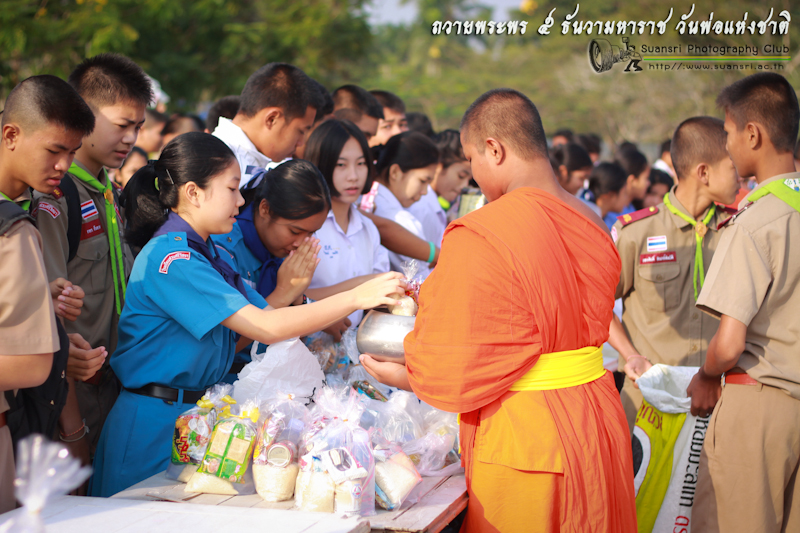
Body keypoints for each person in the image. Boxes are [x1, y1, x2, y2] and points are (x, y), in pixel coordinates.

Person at [361, 88, 637, 532]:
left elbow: (459, 356)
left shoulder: (482, 230)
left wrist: (405, 375)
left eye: (472, 159)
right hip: (597, 416)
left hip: (527, 432)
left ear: (495, 149)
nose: (473, 174)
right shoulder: (592, 220)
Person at [89, 132, 404, 497]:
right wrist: (355, 297)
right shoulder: (174, 260)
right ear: (193, 193)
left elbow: (270, 314)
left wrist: (345, 294)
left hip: (191, 417)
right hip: (153, 421)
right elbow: (265, 326)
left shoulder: (209, 255)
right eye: (232, 189)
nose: (241, 201)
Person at [686, 73, 800, 533]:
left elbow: (730, 344)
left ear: (752, 134)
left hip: (759, 409)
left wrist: (705, 376)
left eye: (729, 132)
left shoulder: (755, 221)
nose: (727, 144)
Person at [33, 53, 152, 458]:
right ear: (83, 114)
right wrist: (72, 431)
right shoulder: (57, 197)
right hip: (73, 396)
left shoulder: (109, 193)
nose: (131, 138)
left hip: (114, 390)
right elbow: (48, 315)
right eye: (122, 124)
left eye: (138, 127)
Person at [0, 75, 102, 511]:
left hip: (27, 420)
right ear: (11, 135)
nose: (64, 165)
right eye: (54, 150)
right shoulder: (12, 222)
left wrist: (47, 310)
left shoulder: (49, 203)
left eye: (72, 153)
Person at [607, 116, 739, 430]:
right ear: (704, 173)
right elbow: (596, 304)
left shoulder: (737, 230)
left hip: (717, 402)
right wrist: (630, 355)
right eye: (732, 166)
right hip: (649, 403)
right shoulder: (636, 232)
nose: (741, 175)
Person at [212, 159, 332, 374]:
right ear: (265, 209)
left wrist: (299, 300)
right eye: (295, 231)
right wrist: (283, 294)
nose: (301, 243)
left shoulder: (283, 252)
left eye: (311, 233)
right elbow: (220, 350)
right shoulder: (222, 249)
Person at [303, 118, 390, 329]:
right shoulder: (304, 229)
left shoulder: (368, 229)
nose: (353, 176)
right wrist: (358, 287)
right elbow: (291, 297)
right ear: (320, 165)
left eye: (361, 164)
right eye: (341, 165)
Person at [214, 62, 322, 190]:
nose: (301, 143)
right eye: (301, 131)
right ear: (272, 119)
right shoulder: (214, 163)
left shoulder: (257, 161)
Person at [371, 132, 439, 278]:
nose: (425, 192)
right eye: (423, 181)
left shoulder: (368, 201)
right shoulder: (401, 220)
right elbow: (420, 278)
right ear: (395, 172)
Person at [408, 129, 472, 246]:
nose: (464, 185)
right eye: (461, 176)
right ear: (438, 166)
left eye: (469, 179)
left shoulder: (432, 206)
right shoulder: (423, 208)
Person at [603, 147, 650, 228]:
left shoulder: (630, 207)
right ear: (632, 180)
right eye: (646, 178)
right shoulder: (612, 213)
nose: (648, 183)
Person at [587, 162, 631, 227]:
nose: (626, 198)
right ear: (611, 195)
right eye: (624, 193)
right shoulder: (589, 220)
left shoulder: (605, 218)